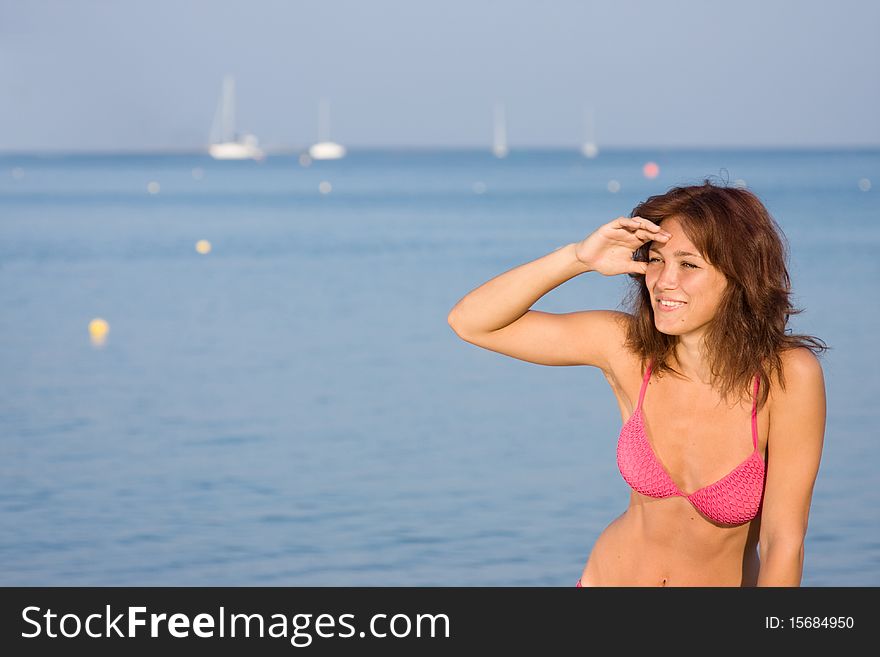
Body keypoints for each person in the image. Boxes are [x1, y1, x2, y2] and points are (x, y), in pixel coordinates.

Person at [447, 180, 828, 587]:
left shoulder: (786, 375)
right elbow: (471, 322)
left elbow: (782, 543)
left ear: (739, 276)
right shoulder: (629, 350)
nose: (664, 281)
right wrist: (578, 258)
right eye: (657, 260)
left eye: (689, 264)